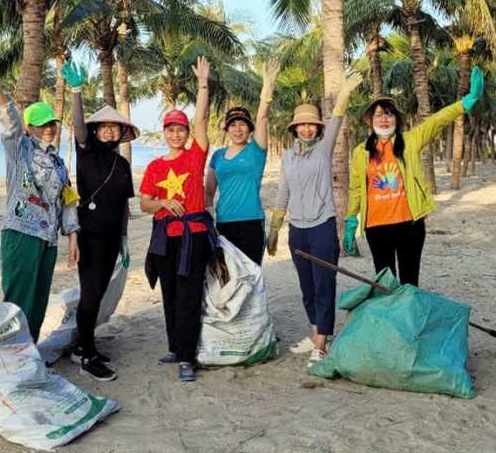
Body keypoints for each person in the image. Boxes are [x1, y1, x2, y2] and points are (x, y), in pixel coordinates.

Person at [344, 67, 485, 286]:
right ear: (370, 120)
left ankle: (410, 320)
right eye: (378, 114)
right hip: (376, 227)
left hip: (409, 225)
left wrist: (465, 103)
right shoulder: (361, 152)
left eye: (388, 114)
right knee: (386, 285)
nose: (384, 119)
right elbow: (355, 188)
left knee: (410, 283)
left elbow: (436, 121)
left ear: (396, 120)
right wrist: (351, 219)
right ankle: (393, 320)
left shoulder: (410, 140)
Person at [0, 66, 80, 343]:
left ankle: (29, 351)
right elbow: (10, 124)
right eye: (42, 124)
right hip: (21, 233)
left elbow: (66, 200)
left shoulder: (57, 162)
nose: (49, 129)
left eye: (52, 123)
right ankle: (11, 352)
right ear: (30, 128)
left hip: (48, 240)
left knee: (39, 300)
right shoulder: (20, 148)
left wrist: (73, 237)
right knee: (18, 299)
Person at [267, 72, 364, 368]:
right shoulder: (288, 157)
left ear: (317, 128)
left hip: (322, 228)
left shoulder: (323, 149)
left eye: (312, 125)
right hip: (297, 230)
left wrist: (344, 93)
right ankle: (315, 333)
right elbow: (283, 191)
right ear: (294, 129)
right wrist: (274, 228)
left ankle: (322, 342)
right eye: (302, 125)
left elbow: (336, 119)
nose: (307, 129)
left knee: (324, 286)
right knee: (307, 288)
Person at [62, 60, 138, 382]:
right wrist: (76, 91)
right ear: (96, 131)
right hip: (90, 235)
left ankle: (83, 345)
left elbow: (122, 205)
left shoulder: (122, 164)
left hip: (110, 238)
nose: (109, 130)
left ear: (122, 133)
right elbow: (78, 126)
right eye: (103, 126)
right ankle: (88, 355)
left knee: (98, 292)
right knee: (90, 293)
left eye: (114, 127)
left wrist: (123, 240)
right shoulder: (86, 151)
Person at [140, 57, 214, 383]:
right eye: (170, 129)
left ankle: (187, 357)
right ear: (164, 133)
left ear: (186, 133)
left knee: (188, 296)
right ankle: (175, 346)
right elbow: (144, 203)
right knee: (169, 293)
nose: (175, 133)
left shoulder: (195, 157)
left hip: (193, 236)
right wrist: (163, 201)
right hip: (164, 238)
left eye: (180, 129)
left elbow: (202, 117)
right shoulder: (155, 166)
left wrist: (202, 85)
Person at [204, 59, 280, 265]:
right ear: (227, 129)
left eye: (243, 125)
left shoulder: (256, 151)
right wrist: (209, 214)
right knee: (227, 278)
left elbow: (263, 117)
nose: (238, 129)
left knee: (251, 276)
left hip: (251, 222)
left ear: (249, 128)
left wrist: (267, 89)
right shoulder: (218, 155)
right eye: (233, 125)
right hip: (223, 222)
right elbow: (209, 191)